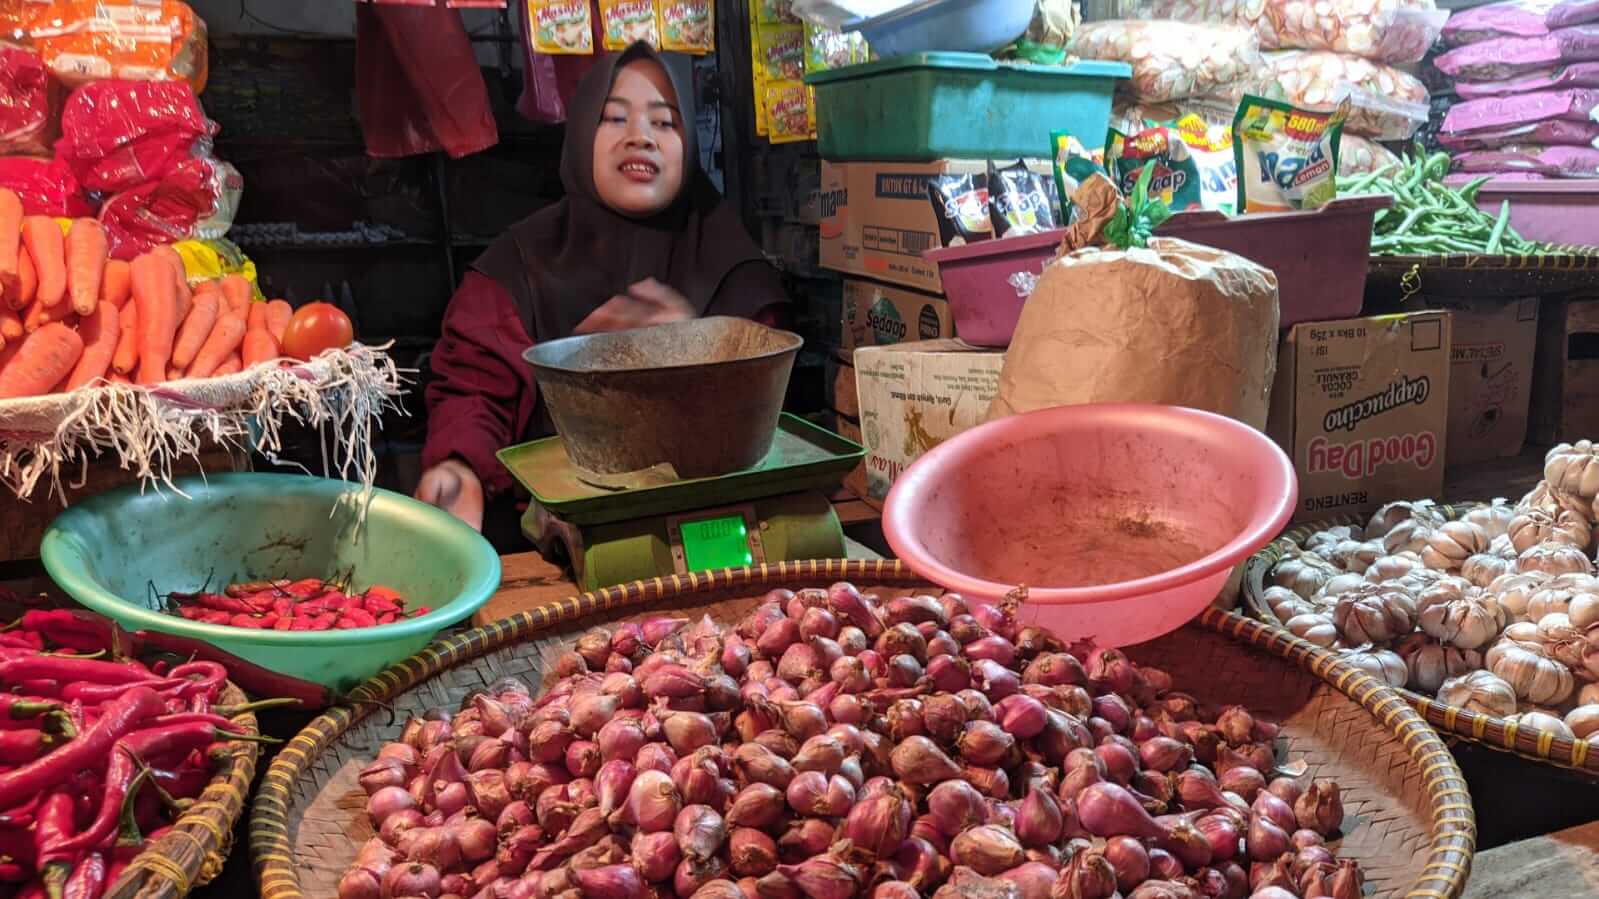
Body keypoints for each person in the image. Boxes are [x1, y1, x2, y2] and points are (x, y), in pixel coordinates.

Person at [415, 41, 789, 547]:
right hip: (553, 536)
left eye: (664, 122)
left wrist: (698, 353)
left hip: (715, 530)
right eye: (614, 118)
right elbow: (473, 391)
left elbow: (764, 416)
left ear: (689, 145)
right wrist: (459, 468)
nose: (641, 137)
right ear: (580, 133)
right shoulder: (518, 265)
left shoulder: (735, 269)